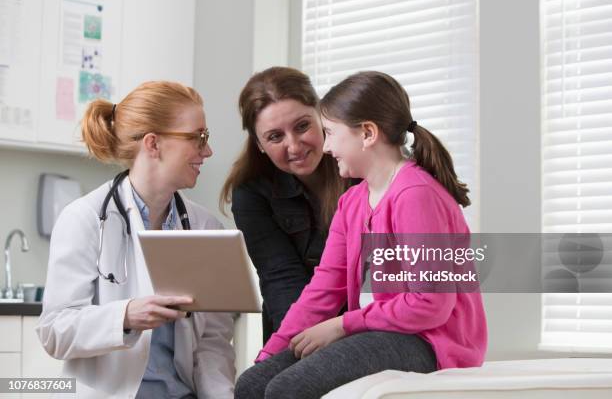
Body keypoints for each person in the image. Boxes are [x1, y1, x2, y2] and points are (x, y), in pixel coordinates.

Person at [234, 71, 487, 399]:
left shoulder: (416, 194)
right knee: (252, 385)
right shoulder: (352, 201)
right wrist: (270, 355)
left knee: (289, 389)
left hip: (431, 341)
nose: (325, 147)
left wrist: (343, 324)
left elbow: (431, 304)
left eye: (330, 133)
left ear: (367, 133)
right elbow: (323, 288)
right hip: (380, 332)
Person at [37, 81, 235, 398]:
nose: (207, 150)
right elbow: (54, 332)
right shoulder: (85, 219)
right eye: (198, 137)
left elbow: (213, 342)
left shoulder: (204, 226)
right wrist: (126, 317)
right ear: (153, 144)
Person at [220, 67, 351, 343]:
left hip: (369, 325)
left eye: (302, 126)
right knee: (257, 385)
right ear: (259, 144)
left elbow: (392, 282)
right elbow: (280, 279)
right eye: (275, 137)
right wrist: (306, 343)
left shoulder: (364, 167)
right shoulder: (251, 193)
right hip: (299, 326)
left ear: (321, 115)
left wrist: (348, 331)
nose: (294, 146)